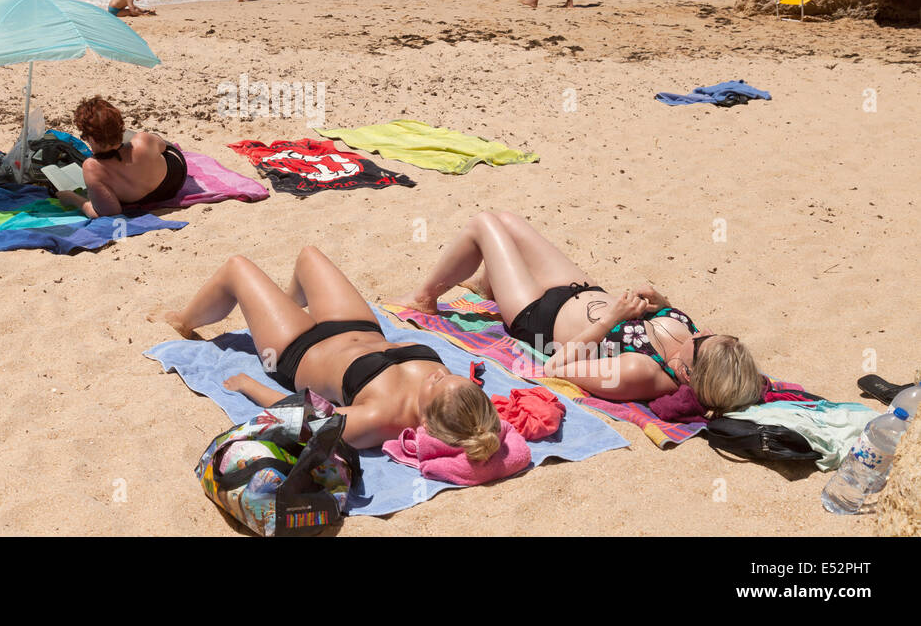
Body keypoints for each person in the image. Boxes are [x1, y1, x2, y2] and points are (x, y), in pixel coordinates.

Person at [396, 211, 766, 413]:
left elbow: (556, 367)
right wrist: (661, 303)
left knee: (483, 225)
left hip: (538, 316)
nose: (698, 333)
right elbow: (674, 322)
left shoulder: (641, 372)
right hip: (580, 289)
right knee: (507, 220)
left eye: (701, 342)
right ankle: (491, 283)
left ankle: (425, 298)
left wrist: (611, 319)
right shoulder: (688, 342)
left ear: (687, 373)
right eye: (711, 332)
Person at [151, 246, 502, 454]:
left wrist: (249, 385)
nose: (440, 372)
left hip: (295, 350)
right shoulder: (462, 401)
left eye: (436, 382)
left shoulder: (380, 417)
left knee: (236, 268)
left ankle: (184, 320)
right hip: (359, 327)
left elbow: (307, 420)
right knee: (309, 256)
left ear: (425, 421)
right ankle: (279, 308)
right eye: (447, 375)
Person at [54, 96, 188, 216]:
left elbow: (107, 211)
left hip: (145, 198)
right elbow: (163, 146)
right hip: (175, 179)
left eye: (84, 136)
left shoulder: (92, 167)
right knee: (152, 139)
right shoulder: (142, 140)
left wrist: (71, 198)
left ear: (92, 139)